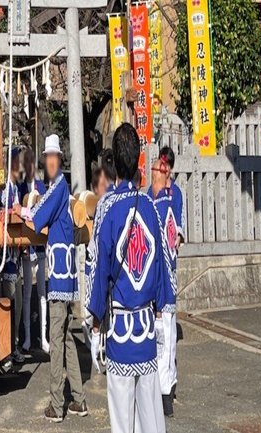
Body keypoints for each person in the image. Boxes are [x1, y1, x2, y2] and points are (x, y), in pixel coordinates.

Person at [87, 124, 174, 433]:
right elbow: (163, 265)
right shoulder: (150, 206)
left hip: (120, 331)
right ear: (139, 161)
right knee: (152, 419)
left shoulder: (106, 208)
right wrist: (162, 313)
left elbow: (98, 269)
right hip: (147, 329)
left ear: (114, 166)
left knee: (123, 422)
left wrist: (95, 322)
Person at [24, 134, 87, 423]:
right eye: (47, 157)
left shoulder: (58, 187)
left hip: (60, 273)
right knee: (67, 338)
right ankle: (79, 399)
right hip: (65, 270)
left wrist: (22, 210)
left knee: (56, 336)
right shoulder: (57, 187)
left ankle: (56, 403)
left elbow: (38, 215)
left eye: (53, 157)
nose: (50, 161)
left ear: (58, 160)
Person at [148, 146, 184, 417]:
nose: (164, 169)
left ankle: (167, 388)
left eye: (167, 166)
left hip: (168, 269)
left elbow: (176, 227)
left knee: (168, 332)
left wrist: (177, 238)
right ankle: (155, 384)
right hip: (151, 270)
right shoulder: (149, 195)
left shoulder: (175, 195)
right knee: (155, 330)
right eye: (161, 165)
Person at [82, 149, 116, 349]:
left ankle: (99, 339)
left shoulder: (107, 201)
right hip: (98, 262)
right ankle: (96, 336)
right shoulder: (99, 202)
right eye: (100, 185)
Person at [0, 146, 26, 370]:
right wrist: (16, 212)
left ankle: (13, 345)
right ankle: (7, 348)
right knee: (8, 302)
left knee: (15, 303)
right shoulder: (6, 188)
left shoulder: (15, 187)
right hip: (7, 255)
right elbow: (2, 213)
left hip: (15, 253)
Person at [19, 146, 48, 354]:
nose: (28, 165)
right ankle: (28, 336)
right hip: (27, 248)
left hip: (40, 246)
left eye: (31, 161)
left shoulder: (41, 187)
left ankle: (43, 336)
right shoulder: (20, 187)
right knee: (27, 292)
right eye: (25, 162)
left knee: (42, 293)